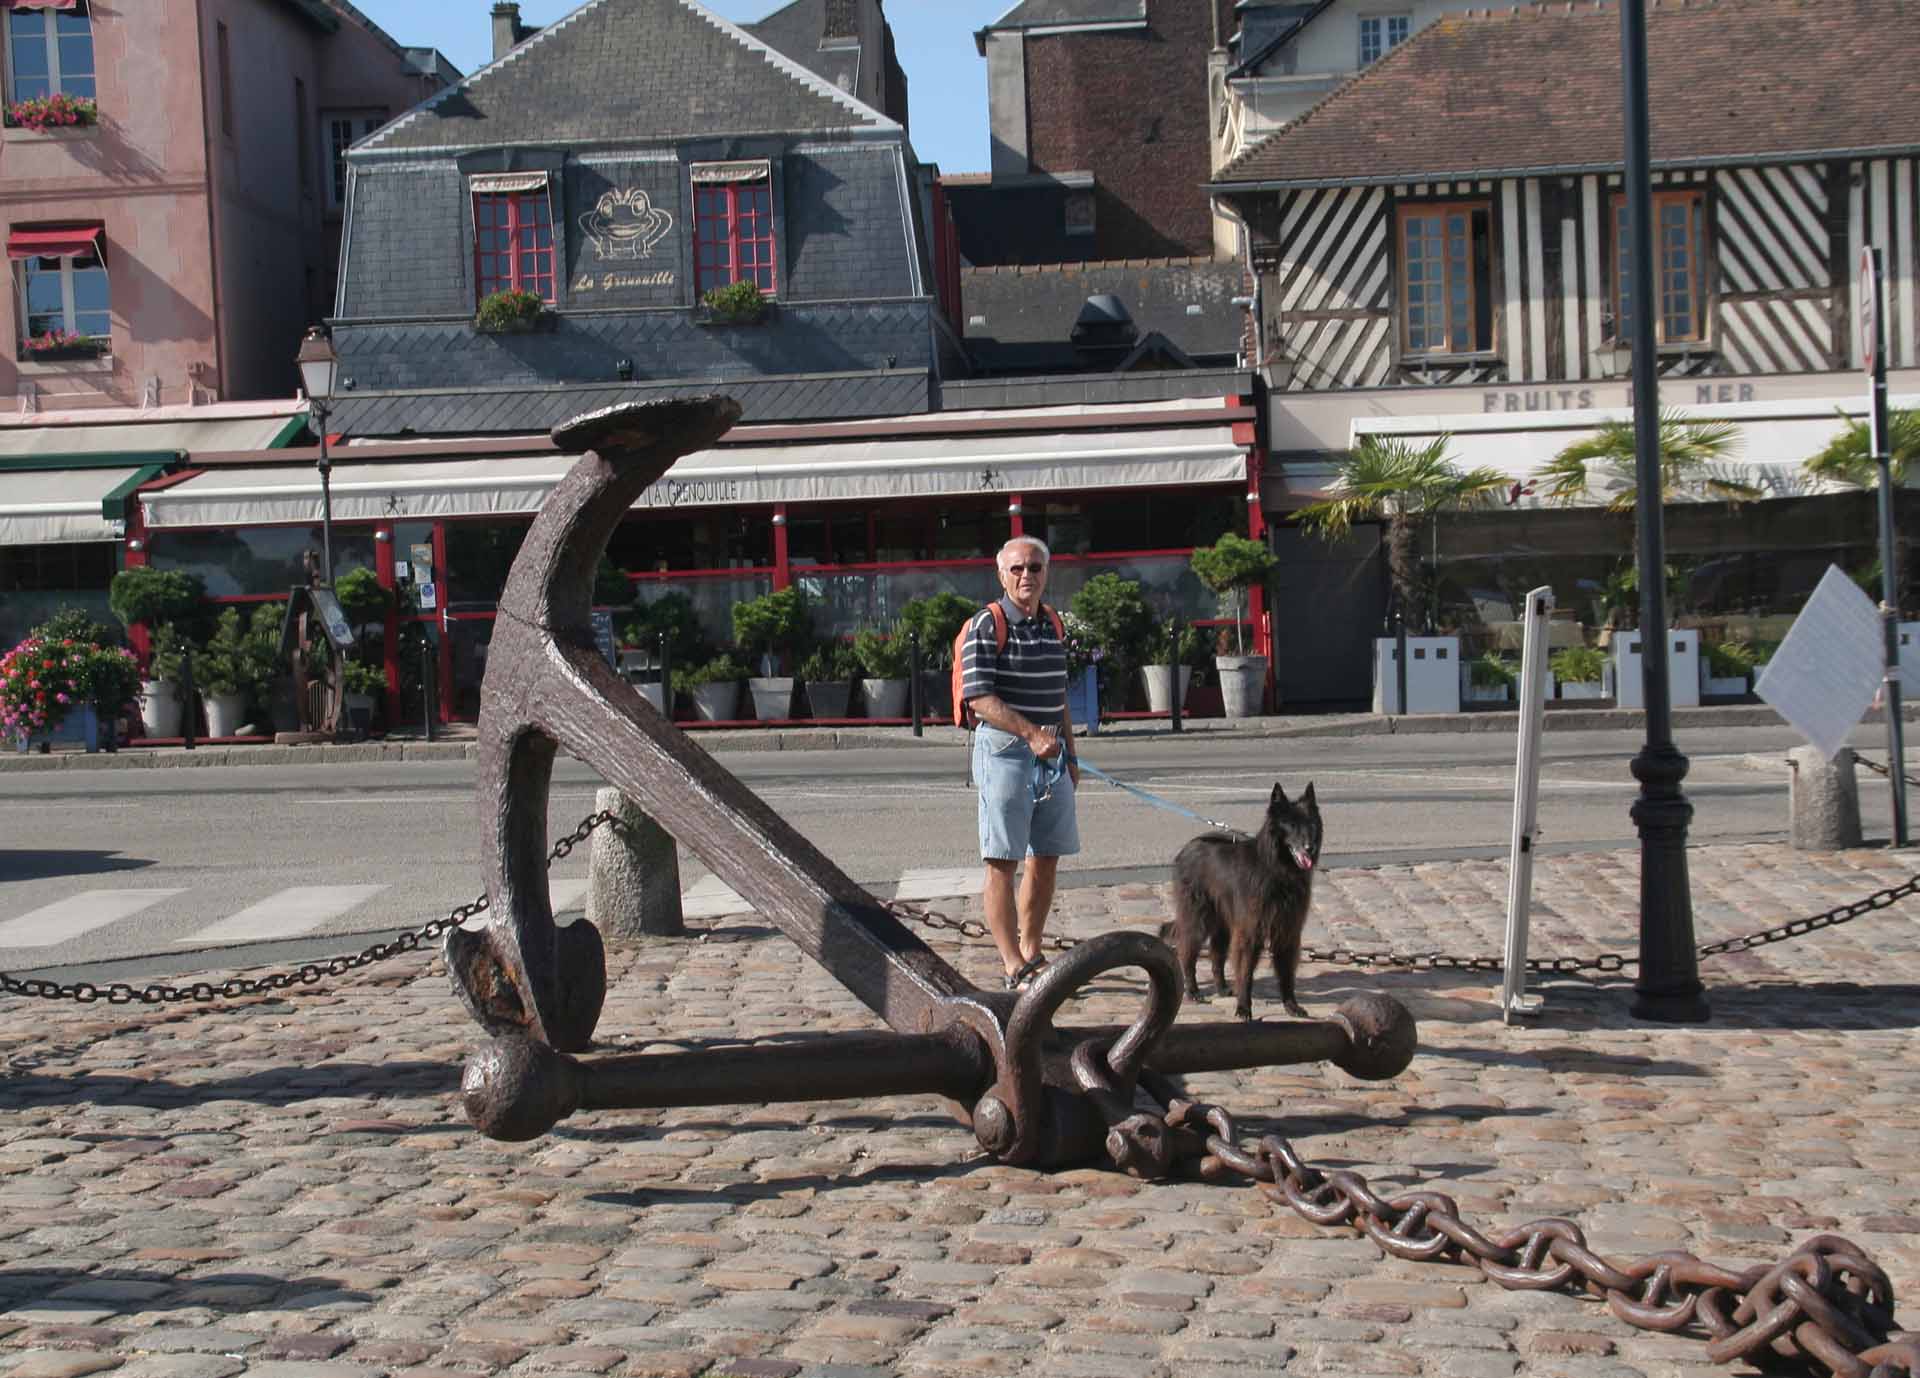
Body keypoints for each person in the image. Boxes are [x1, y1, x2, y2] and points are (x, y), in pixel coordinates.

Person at [959, 535, 1080, 990]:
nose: (1026, 575)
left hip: (1052, 753)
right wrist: (1031, 735)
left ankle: (1031, 950)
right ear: (1001, 574)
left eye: (1034, 567)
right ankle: (1012, 964)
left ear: (1046, 572)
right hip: (1006, 751)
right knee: (1003, 860)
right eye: (1017, 568)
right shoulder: (986, 624)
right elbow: (978, 698)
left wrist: (1071, 754)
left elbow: (1059, 694)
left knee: (1047, 855)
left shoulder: (1052, 622)